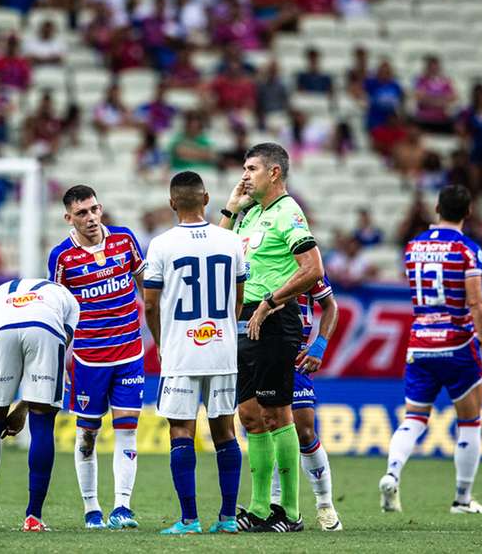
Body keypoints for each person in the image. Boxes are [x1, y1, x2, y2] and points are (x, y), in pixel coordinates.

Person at [219, 142, 325, 532]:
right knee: (249, 415)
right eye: (244, 168)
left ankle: (291, 512)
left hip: (275, 320)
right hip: (244, 320)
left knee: (277, 413)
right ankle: (260, 507)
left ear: (274, 173)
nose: (244, 175)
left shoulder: (288, 213)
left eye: (251, 169)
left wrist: (269, 301)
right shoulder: (248, 215)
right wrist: (231, 206)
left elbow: (313, 268)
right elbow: (214, 248)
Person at [379, 184, 482, 515]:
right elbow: (476, 302)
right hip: (458, 343)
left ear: (436, 208)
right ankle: (462, 499)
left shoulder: (413, 247)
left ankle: (392, 472)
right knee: (470, 421)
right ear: (469, 211)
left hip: (419, 342)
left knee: (414, 418)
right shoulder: (467, 250)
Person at [142, 171, 246, 535]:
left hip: (181, 352)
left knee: (181, 431)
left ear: (172, 203)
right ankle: (228, 517)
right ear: (206, 199)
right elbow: (240, 297)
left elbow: (150, 306)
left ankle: (189, 519)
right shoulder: (230, 241)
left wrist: (160, 343)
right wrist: (225, 330)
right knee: (225, 431)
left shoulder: (161, 245)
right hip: (221, 349)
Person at [48, 185, 147, 530]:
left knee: (127, 429)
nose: (90, 218)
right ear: (68, 218)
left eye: (93, 210)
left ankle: (122, 507)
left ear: (100, 208)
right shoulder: (62, 257)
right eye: (81, 213)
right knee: (87, 433)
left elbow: (144, 282)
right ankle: (92, 509)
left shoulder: (124, 240)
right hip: (89, 357)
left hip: (130, 351)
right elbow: (58, 308)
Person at [0, 277, 80, 532]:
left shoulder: (1, 289)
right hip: (46, 328)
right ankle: (33, 518)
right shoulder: (69, 301)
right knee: (42, 423)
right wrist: (25, 408)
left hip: (2, 329)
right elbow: (56, 346)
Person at [267, 268, 342, 531]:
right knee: (269, 430)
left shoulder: (308, 266)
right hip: (260, 352)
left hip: (295, 356)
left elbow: (330, 306)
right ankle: (276, 507)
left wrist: (320, 345)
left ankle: (325, 506)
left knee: (304, 431)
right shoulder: (254, 257)